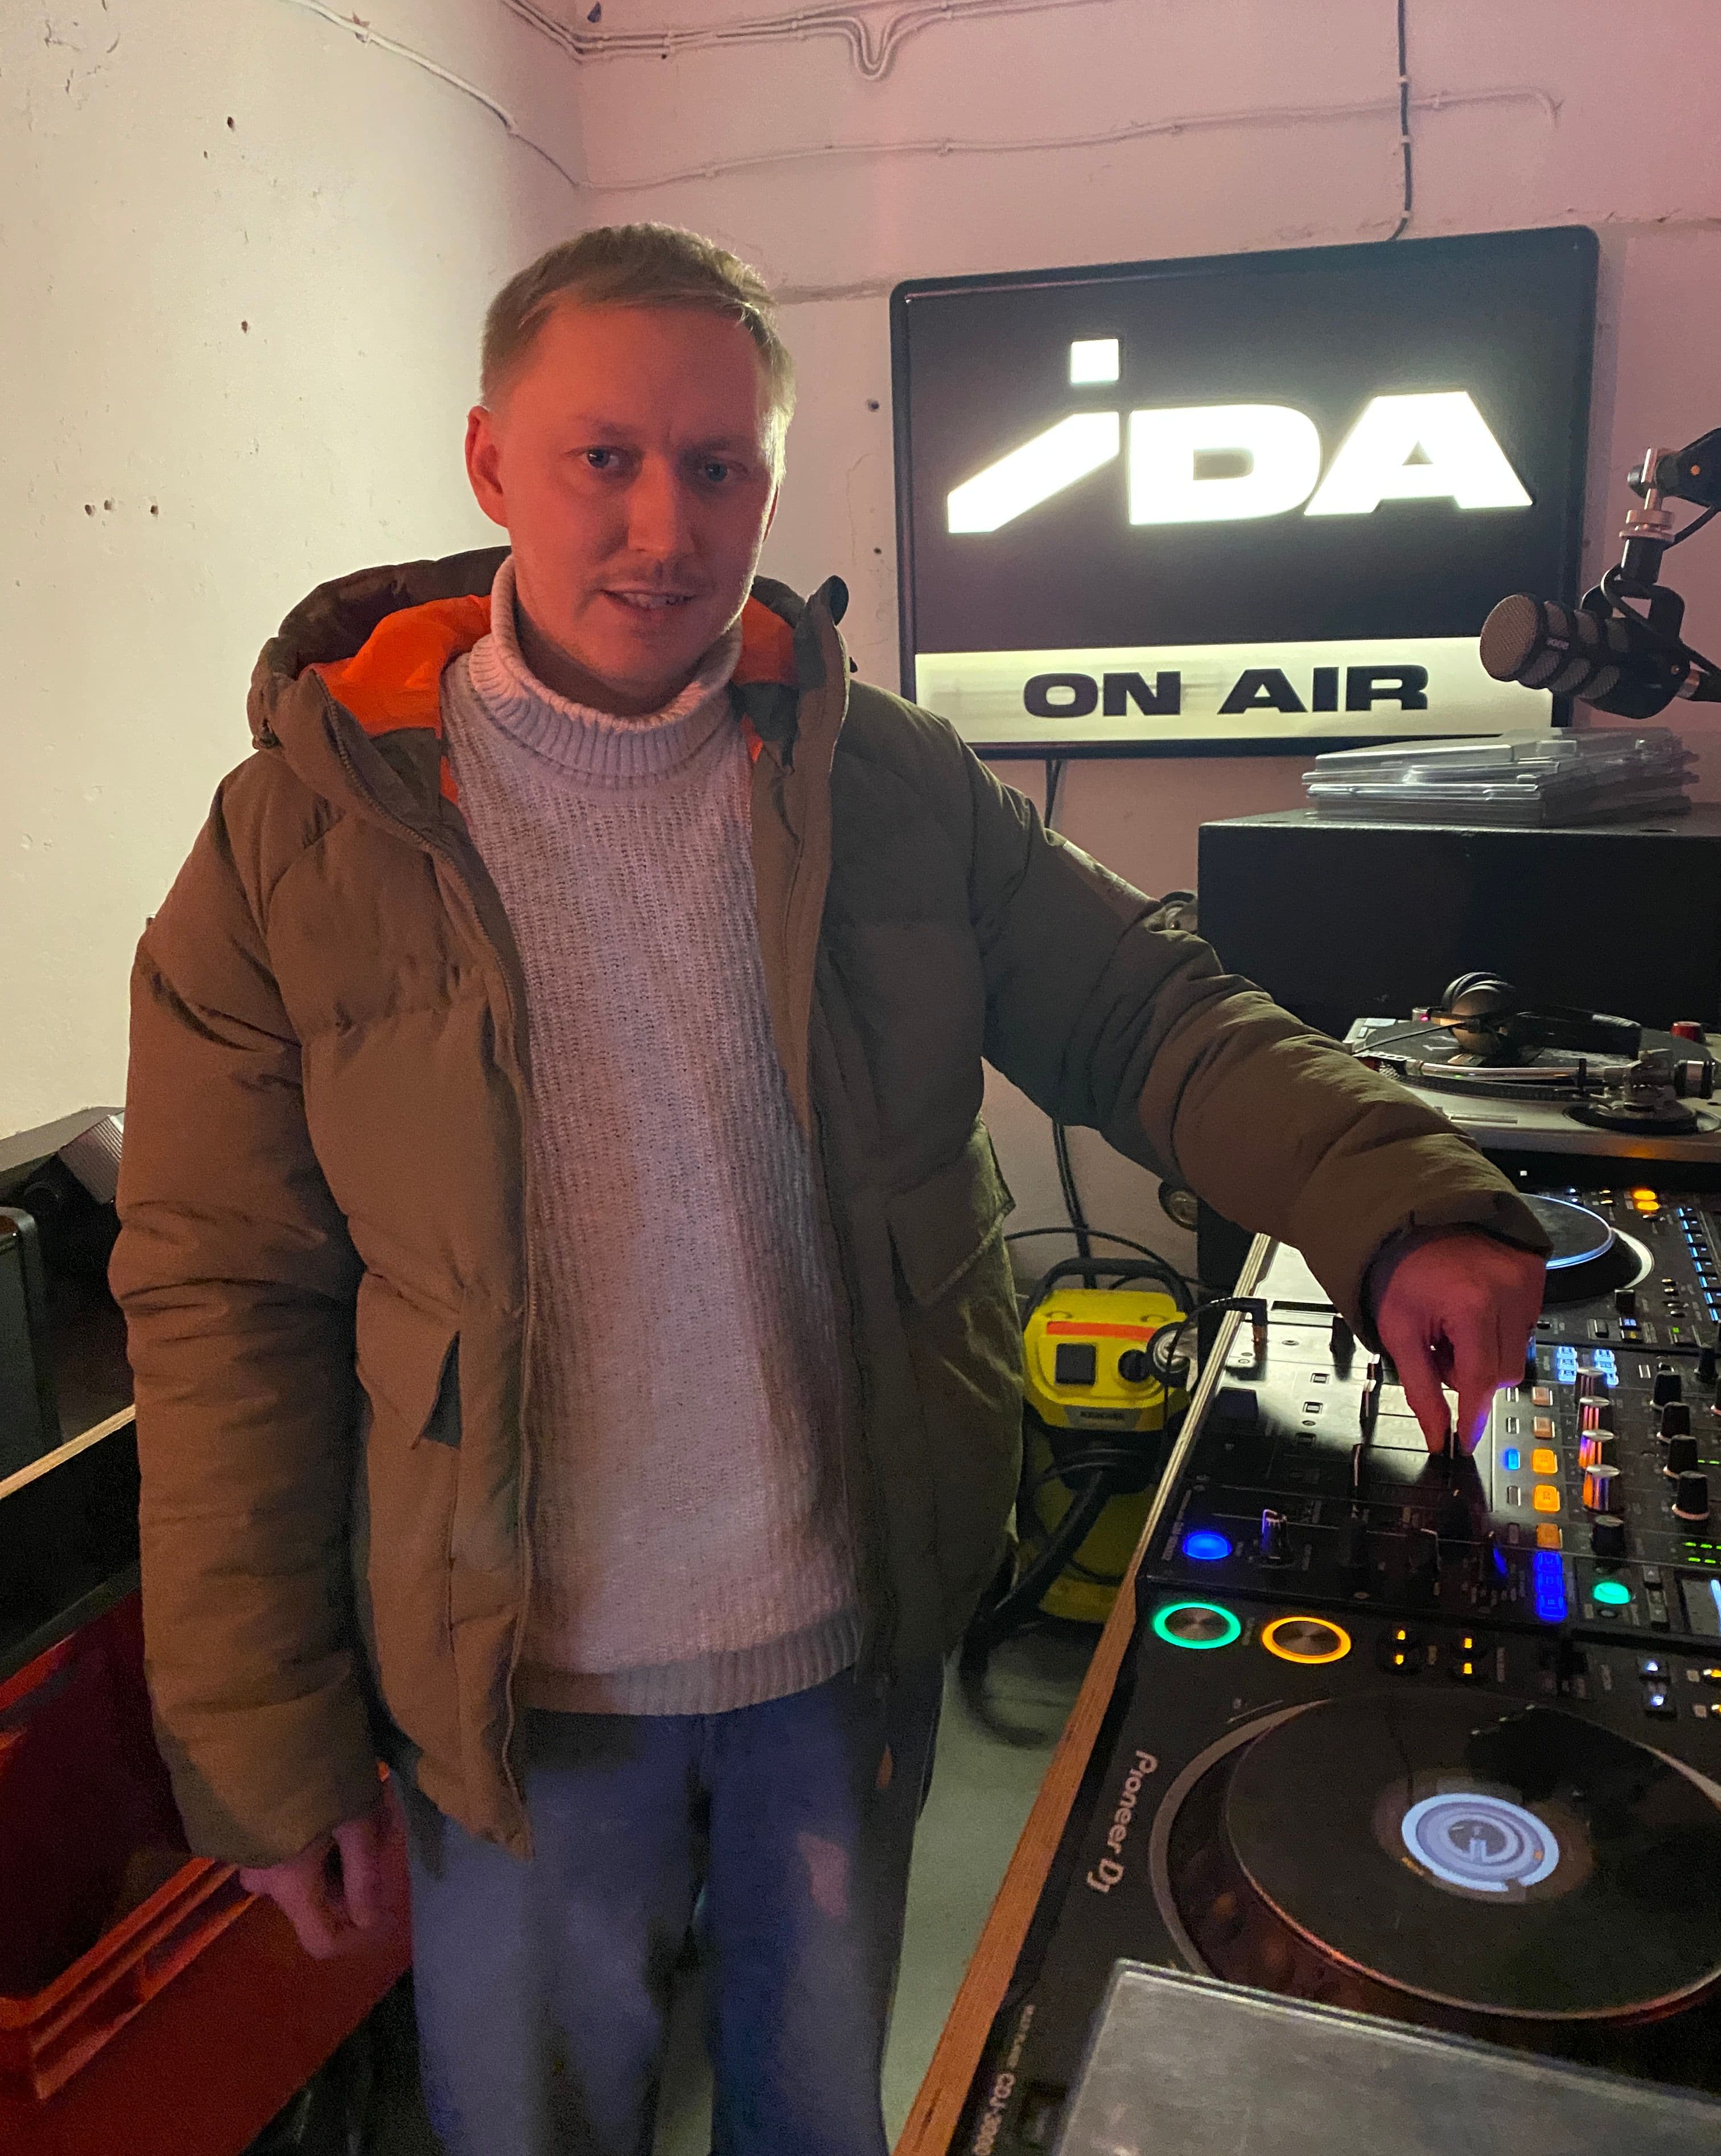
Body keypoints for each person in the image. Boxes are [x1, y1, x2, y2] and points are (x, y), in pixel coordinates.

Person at [111, 223, 1546, 2156]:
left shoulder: (891, 781)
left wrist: (1400, 1200)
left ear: (772, 483)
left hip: (838, 1650)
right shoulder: (295, 838)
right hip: (509, 1690)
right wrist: (265, 1744)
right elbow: (224, 1301)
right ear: (489, 464)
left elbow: (1144, 1011)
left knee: (817, 2122)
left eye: (719, 467)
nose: (663, 527)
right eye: (603, 459)